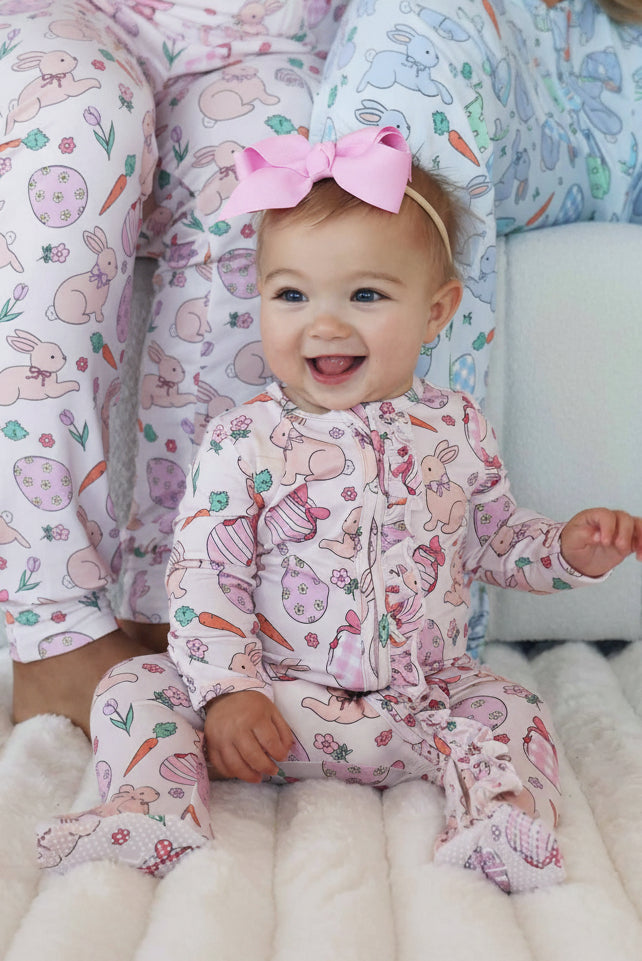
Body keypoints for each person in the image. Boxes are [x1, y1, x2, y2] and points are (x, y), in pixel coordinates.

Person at [36, 127, 642, 891]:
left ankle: (500, 819)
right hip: (276, 706)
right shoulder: (243, 441)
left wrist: (566, 549)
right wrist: (229, 692)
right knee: (134, 686)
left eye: (365, 295)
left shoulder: (454, 430)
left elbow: (494, 537)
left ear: (436, 310)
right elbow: (204, 582)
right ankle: (150, 805)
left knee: (512, 704)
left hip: (418, 705)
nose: (323, 323)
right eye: (291, 295)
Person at [0, 0, 345, 736]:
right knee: (76, 123)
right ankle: (54, 624)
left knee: (269, 172)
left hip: (268, 37)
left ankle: (181, 606)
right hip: (69, 18)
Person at [307, 0, 642, 652]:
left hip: (607, 65)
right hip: (476, 43)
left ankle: (396, 614)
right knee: (400, 91)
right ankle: (385, 603)